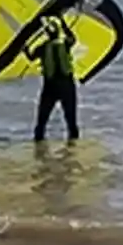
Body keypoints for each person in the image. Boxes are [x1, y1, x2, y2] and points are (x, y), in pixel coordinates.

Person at [32, 10, 79, 145]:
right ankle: (73, 151)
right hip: (67, 87)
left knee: (41, 124)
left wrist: (24, 46)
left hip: (50, 87)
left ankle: (39, 151)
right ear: (59, 32)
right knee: (71, 123)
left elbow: (30, 56)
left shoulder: (42, 48)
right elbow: (73, 37)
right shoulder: (65, 44)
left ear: (47, 34)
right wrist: (63, 21)